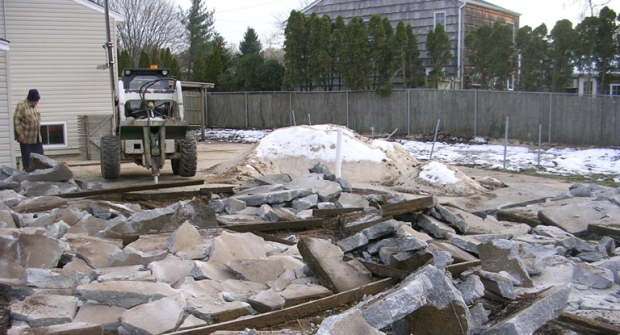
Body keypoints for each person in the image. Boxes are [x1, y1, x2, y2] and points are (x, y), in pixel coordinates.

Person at [14, 89, 44, 172]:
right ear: (31, 99)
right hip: (26, 139)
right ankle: (28, 175)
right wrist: (19, 134)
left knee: (40, 158)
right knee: (28, 159)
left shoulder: (36, 107)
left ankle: (40, 174)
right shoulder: (22, 106)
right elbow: (16, 121)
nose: (38, 101)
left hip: (37, 138)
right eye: (36, 100)